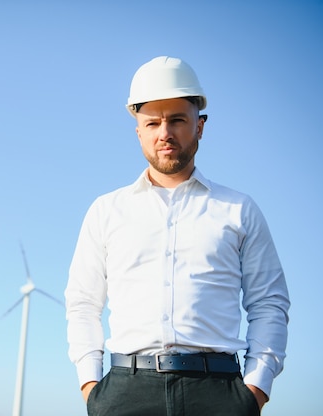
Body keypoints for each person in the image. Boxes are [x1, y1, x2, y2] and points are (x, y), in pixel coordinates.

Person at [64, 56, 290, 416]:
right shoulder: (106, 211)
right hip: (124, 393)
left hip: (219, 393)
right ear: (138, 131)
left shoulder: (239, 209)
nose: (164, 133)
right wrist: (92, 389)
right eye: (152, 122)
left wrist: (255, 390)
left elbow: (269, 303)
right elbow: (82, 304)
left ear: (200, 126)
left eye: (177, 120)